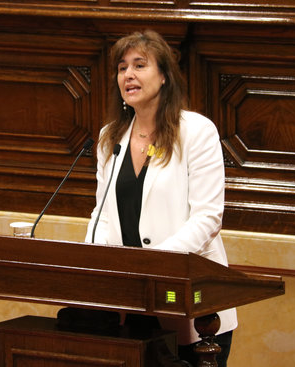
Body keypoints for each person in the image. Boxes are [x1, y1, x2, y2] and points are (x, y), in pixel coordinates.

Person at [84, 30, 237, 366]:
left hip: (192, 306)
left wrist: (154, 267)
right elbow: (102, 214)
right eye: (122, 68)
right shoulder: (110, 137)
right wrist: (94, 269)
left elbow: (207, 218)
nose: (128, 75)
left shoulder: (196, 132)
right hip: (130, 306)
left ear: (165, 76)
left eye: (140, 65)